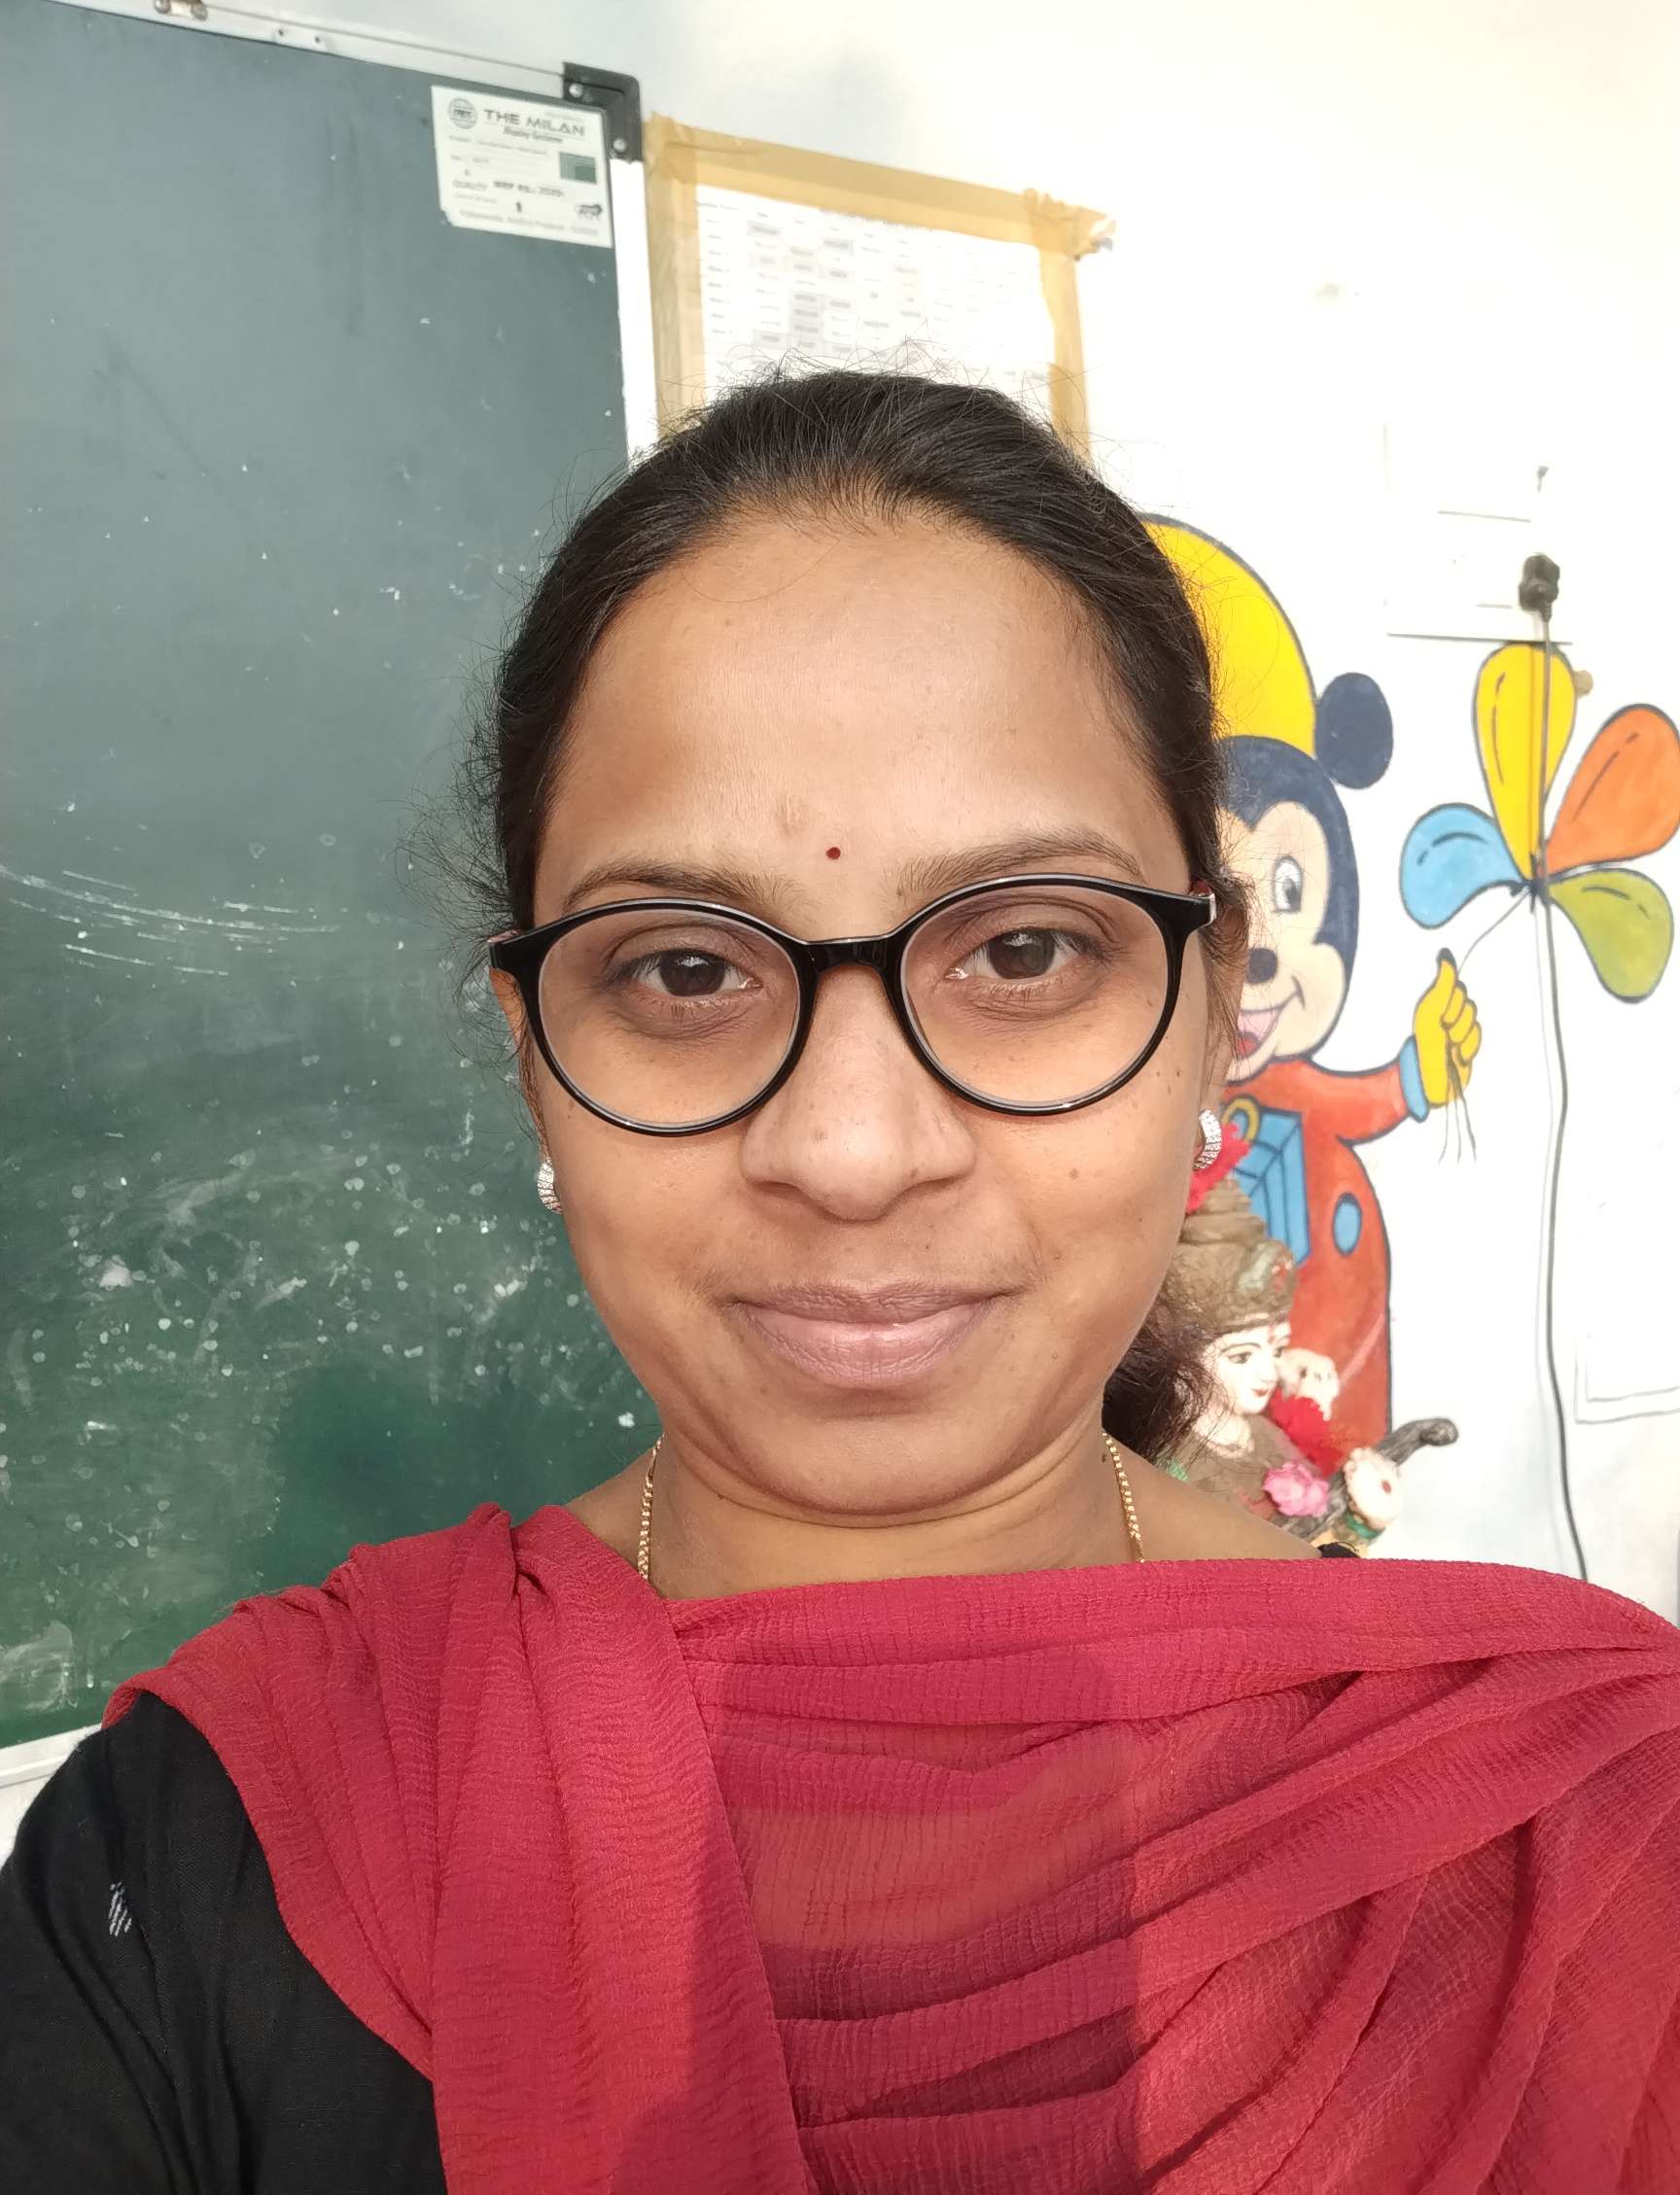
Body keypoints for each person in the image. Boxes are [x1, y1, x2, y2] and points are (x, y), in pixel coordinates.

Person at [2, 372, 1676, 2195]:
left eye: (1023, 950)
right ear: (535, 1050)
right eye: (685, 972)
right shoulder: (217, 1843)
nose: (854, 1150)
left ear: (1212, 1011)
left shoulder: (1596, 1830)